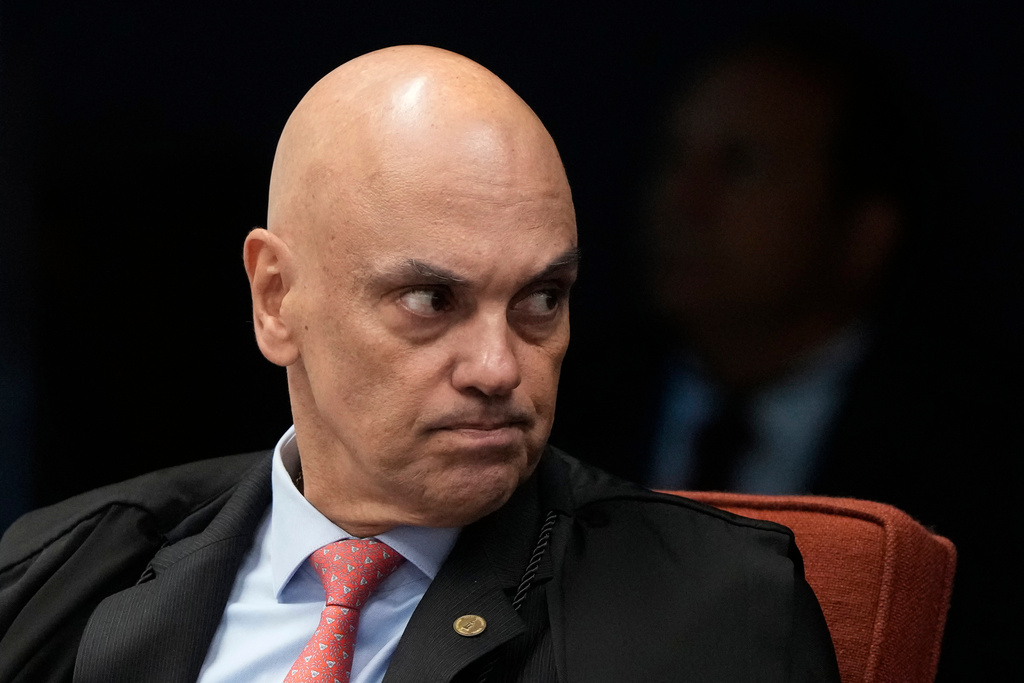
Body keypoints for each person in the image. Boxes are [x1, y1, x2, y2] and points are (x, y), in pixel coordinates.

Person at [0, 45, 839, 682]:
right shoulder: (53, 572)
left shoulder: (713, 613)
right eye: (431, 301)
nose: (497, 366)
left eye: (541, 298)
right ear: (276, 299)